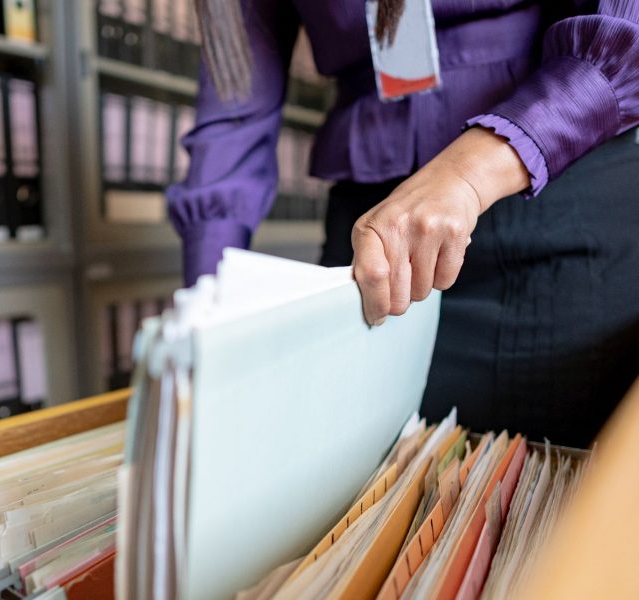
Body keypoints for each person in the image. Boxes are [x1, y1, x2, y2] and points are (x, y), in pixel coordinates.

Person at [166, 0, 639, 447]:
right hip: (368, 241)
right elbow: (235, 102)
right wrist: (208, 311)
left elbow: (623, 30)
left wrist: (468, 175)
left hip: (547, 196)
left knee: (554, 493)